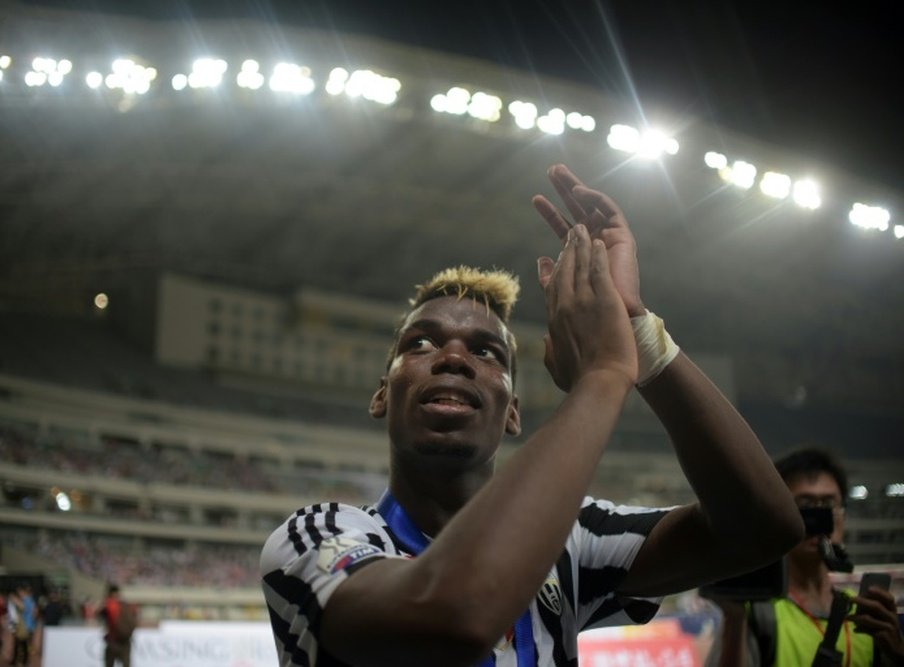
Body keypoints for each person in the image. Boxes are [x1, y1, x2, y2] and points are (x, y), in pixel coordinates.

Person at [259, 163, 805, 666]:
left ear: (513, 412)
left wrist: (641, 334)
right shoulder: (316, 535)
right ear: (382, 395)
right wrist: (605, 374)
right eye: (422, 343)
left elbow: (764, 526)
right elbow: (455, 613)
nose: (453, 357)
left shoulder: (574, 540)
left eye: (486, 351)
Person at [706, 447, 904, 666]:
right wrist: (734, 622)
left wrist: (896, 652)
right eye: (805, 506)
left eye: (829, 505)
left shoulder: (865, 614)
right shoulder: (755, 612)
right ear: (778, 515)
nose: (820, 518)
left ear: (843, 516)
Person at [100, 584, 131, 667]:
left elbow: (103, 617)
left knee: (109, 663)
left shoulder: (109, 605)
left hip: (113, 640)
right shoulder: (125, 605)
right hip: (125, 640)